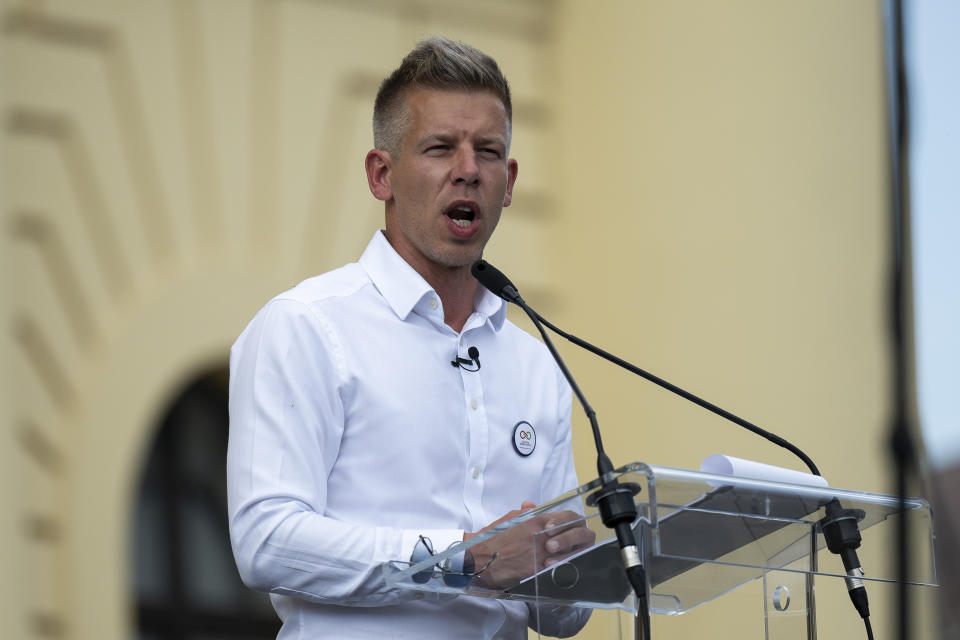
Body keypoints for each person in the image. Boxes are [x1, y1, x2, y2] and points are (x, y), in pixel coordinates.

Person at [227, 37, 594, 639]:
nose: (469, 169)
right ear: (381, 175)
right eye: (440, 148)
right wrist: (465, 559)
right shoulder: (307, 326)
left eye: (489, 151)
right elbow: (266, 542)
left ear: (509, 182)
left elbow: (562, 618)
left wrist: (571, 569)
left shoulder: (537, 362)